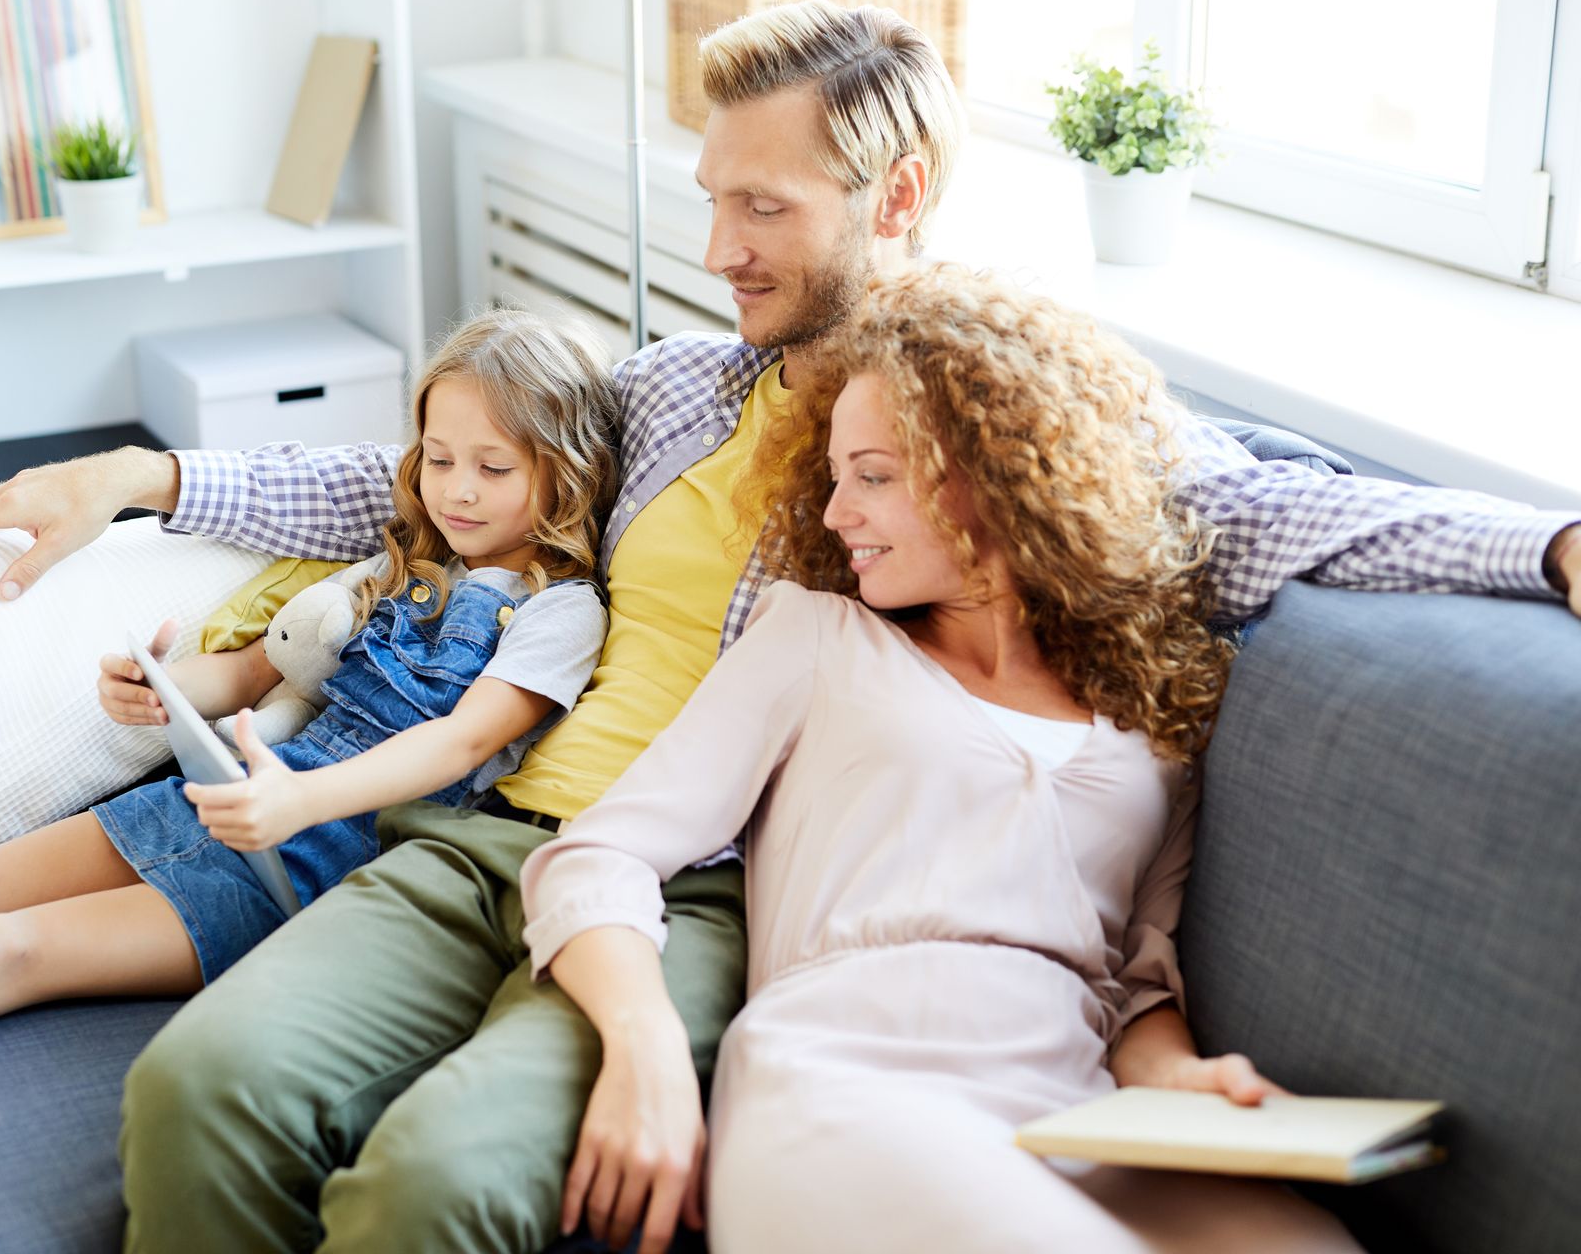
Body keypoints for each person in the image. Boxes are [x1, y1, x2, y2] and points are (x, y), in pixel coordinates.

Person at [0, 0, 1580, 1253]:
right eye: (710, 200)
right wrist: (143, 475)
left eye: (762, 208)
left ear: (899, 191)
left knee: (437, 1184)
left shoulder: (991, 433)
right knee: (199, 1093)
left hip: (707, 899)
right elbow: (424, 479)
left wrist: (1557, 543)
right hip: (504, 821)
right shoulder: (681, 388)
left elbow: (1291, 511)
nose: (715, 252)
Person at [521, 266, 1362, 1254]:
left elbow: (1136, 985)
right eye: (835, 477)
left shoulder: (1155, 723)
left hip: (1079, 1111)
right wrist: (648, 1046)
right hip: (849, 1080)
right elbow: (600, 853)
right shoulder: (818, 637)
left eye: (872, 475)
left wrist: (1185, 1079)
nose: (837, 514)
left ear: (1004, 471)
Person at [0, 308, 616, 1106]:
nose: (455, 490)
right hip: (230, 793)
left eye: (493, 469)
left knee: (2, 952)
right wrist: (164, 690)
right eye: (439, 458)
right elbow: (251, 680)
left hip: (313, 863)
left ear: (565, 470)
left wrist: (297, 804)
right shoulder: (396, 564)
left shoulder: (562, 611)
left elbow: (462, 741)